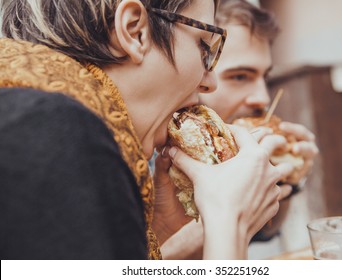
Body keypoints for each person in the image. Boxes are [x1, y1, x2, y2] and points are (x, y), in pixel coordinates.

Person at [0, 0, 293, 260]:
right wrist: (230, 220)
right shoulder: (49, 129)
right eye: (205, 47)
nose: (209, 82)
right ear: (133, 31)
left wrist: (159, 229)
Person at [161, 0, 319, 259]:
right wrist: (229, 213)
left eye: (264, 77)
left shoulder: (241, 152)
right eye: (240, 76)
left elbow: (265, 233)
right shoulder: (149, 153)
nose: (262, 98)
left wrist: (287, 179)